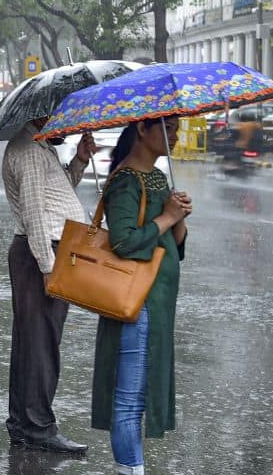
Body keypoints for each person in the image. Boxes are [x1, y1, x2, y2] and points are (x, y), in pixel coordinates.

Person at [93, 117, 191, 475]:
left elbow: (171, 244)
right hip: (138, 303)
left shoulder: (157, 177)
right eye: (168, 129)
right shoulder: (125, 181)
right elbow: (122, 242)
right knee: (130, 400)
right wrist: (166, 217)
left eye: (178, 130)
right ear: (142, 131)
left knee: (139, 396)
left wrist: (178, 218)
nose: (176, 137)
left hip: (157, 303)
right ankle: (130, 469)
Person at [1, 120, 96, 453]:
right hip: (41, 253)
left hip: (48, 250)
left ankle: (23, 424)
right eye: (62, 117)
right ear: (42, 115)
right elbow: (35, 213)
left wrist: (80, 160)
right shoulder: (28, 150)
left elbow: (56, 197)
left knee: (33, 343)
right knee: (41, 345)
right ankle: (38, 426)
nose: (68, 125)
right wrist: (46, 265)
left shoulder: (41, 147)